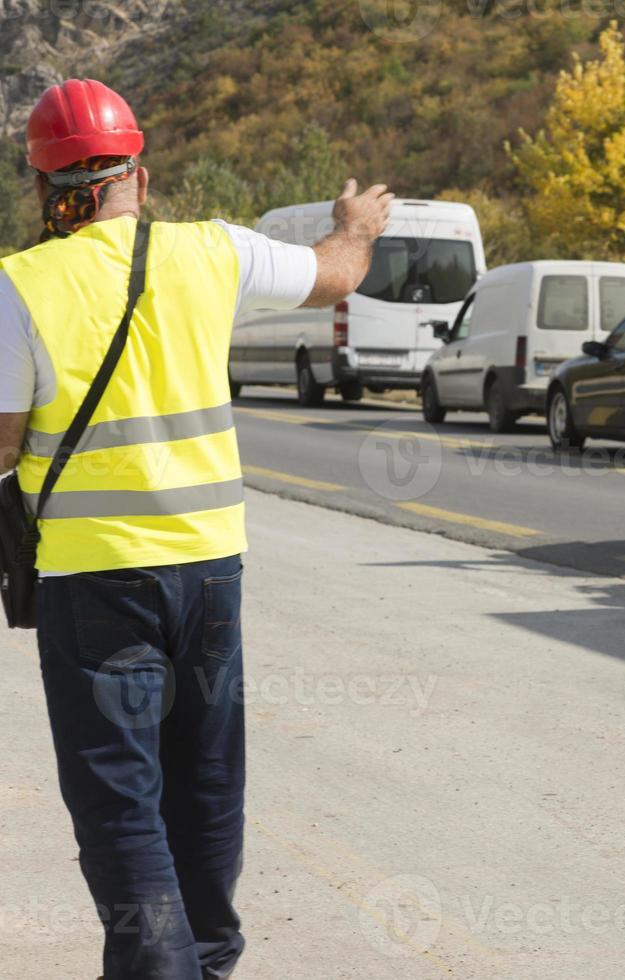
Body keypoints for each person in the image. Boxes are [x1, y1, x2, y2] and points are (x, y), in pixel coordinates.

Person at [0, 78, 392, 979]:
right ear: (141, 171)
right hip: (210, 573)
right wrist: (358, 219)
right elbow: (336, 270)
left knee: (118, 798)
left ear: (46, 186)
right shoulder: (215, 252)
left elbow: (5, 439)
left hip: (94, 584)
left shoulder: (20, 285)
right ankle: (209, 961)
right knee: (207, 779)